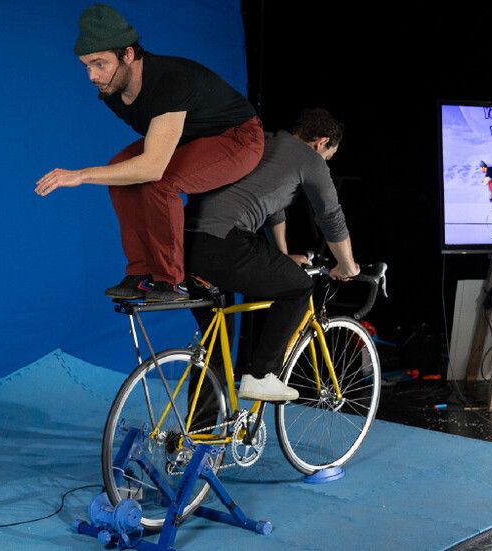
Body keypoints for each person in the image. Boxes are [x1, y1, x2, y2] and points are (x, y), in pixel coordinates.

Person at [35, 4, 264, 301]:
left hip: (238, 138)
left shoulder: (171, 80)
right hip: (190, 135)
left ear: (128, 54)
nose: (91, 75)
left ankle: (170, 281)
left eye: (99, 63)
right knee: (119, 169)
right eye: (86, 65)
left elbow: (153, 167)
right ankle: (141, 274)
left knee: (159, 180)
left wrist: (80, 175)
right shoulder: (112, 93)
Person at [183, 108, 360, 402]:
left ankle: (200, 435)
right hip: (225, 243)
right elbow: (331, 217)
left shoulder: (264, 142)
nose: (324, 163)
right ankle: (261, 375)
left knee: (217, 345)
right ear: (321, 143)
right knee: (300, 288)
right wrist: (347, 265)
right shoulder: (309, 160)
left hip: (189, 245)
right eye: (328, 156)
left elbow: (272, 207)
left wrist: (283, 256)